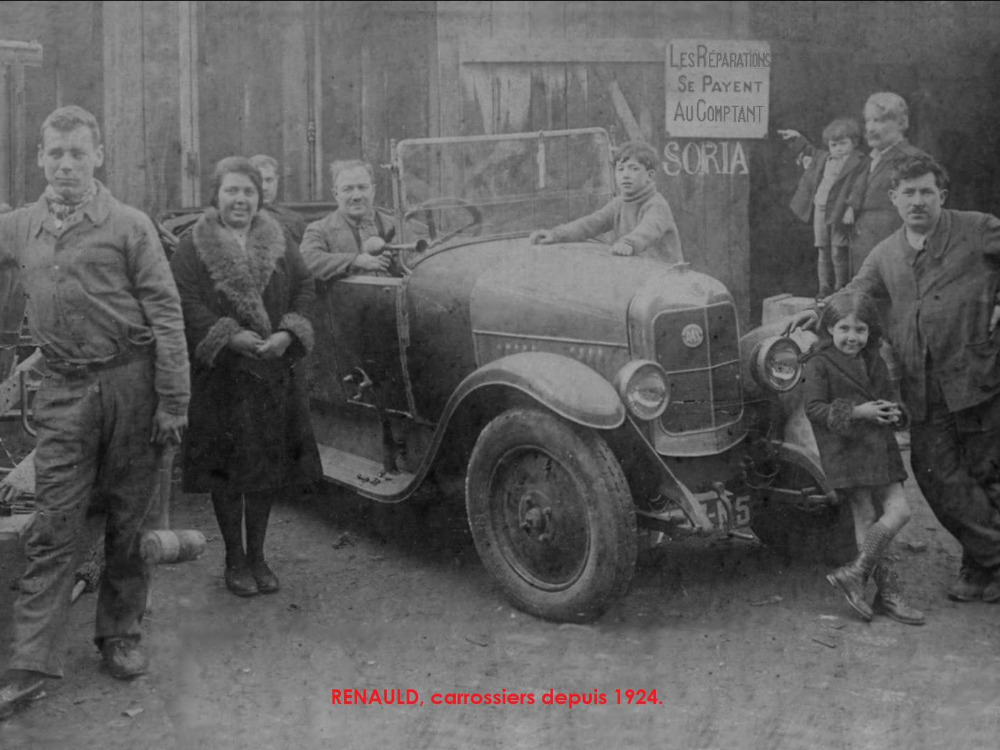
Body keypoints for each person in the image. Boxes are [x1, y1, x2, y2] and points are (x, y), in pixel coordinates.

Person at [0, 105, 190, 719]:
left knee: (130, 523)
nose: (65, 164)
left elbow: (166, 315)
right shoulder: (19, 227)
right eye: (54, 153)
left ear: (98, 156)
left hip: (132, 387)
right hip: (61, 393)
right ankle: (29, 662)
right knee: (54, 524)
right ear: (38, 158)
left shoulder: (130, 225)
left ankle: (120, 634)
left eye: (77, 153)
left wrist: (173, 401)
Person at [787, 155, 1000, 603]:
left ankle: (981, 566)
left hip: (980, 376)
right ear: (894, 198)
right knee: (936, 476)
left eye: (927, 191)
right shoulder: (885, 252)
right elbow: (855, 292)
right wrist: (816, 311)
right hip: (922, 385)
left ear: (942, 195)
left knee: (987, 474)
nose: (918, 201)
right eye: (909, 193)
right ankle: (991, 558)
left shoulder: (978, 228)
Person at [169, 157, 321, 598]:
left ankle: (258, 555)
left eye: (249, 192)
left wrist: (288, 332)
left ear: (260, 197)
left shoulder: (278, 238)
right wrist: (227, 335)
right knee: (228, 470)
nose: (241, 199)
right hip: (223, 376)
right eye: (232, 191)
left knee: (265, 469)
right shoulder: (192, 244)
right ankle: (234, 559)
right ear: (215, 196)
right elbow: (185, 300)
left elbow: (305, 287)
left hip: (272, 371)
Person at [801, 291, 924, 625]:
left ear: (871, 332)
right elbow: (813, 408)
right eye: (844, 328)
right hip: (847, 449)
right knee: (865, 515)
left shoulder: (875, 359)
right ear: (829, 329)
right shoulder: (818, 363)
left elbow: (889, 397)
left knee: (899, 510)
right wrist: (858, 411)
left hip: (879, 446)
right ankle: (888, 594)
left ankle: (857, 573)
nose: (852, 337)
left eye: (860, 330)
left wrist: (894, 412)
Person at [528, 141, 683, 263]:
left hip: (664, 278)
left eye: (633, 169)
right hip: (636, 271)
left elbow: (648, 229)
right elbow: (592, 223)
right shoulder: (619, 203)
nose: (626, 175)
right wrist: (557, 235)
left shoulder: (656, 205)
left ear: (649, 175)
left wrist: (629, 244)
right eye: (620, 169)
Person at [780, 118, 869, 297]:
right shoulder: (824, 157)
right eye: (833, 145)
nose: (838, 149)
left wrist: (851, 207)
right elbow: (810, 150)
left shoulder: (859, 161)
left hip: (839, 211)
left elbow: (859, 186)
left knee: (838, 250)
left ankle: (840, 287)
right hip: (820, 208)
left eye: (843, 144)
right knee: (822, 249)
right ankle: (824, 288)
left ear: (854, 142)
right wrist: (798, 138)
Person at [846, 92, 930, 276]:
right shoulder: (870, 159)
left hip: (894, 259)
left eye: (880, 120)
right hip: (865, 255)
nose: (870, 128)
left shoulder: (914, 159)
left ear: (902, 123)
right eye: (868, 121)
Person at [299, 159, 393, 280]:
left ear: (373, 191)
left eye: (363, 187)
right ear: (336, 194)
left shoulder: (395, 225)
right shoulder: (319, 230)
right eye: (347, 189)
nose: (357, 196)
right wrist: (355, 260)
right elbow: (307, 261)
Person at [248, 154, 307, 246]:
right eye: (258, 181)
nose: (264, 187)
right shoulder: (241, 218)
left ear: (277, 180)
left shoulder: (294, 220)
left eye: (269, 180)